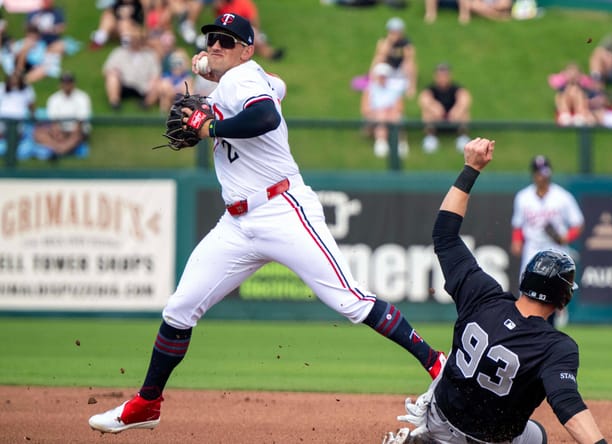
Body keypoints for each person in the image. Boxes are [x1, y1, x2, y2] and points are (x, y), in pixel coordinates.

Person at [88, 14, 445, 435]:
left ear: (247, 50)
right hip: (237, 223)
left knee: (352, 301)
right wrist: (212, 73)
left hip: (283, 209)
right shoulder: (246, 78)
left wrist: (211, 125)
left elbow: (265, 118)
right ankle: (147, 404)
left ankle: (437, 364)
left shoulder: (243, 79)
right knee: (179, 309)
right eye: (212, 38)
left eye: (227, 40)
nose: (216, 45)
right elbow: (279, 86)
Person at [382, 137, 606, 444]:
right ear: (563, 298)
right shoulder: (556, 347)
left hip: (438, 415)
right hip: (484, 440)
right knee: (537, 435)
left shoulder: (482, 294)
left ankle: (426, 439)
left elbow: (445, 235)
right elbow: (568, 406)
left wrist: (470, 168)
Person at [511, 155, 584, 327]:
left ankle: (554, 319)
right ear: (533, 175)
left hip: (556, 250)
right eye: (538, 173)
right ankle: (526, 327)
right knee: (526, 291)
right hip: (532, 249)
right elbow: (518, 225)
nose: (542, 177)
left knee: (553, 293)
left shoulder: (562, 196)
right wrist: (517, 240)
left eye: (544, 173)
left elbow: (578, 223)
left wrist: (567, 237)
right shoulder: (523, 197)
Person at [32, 72, 92, 156]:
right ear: (60, 85)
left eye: (69, 83)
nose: (66, 85)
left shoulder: (82, 97)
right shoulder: (54, 98)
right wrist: (57, 132)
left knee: (77, 136)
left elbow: (80, 121)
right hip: (60, 129)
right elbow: (54, 121)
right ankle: (59, 148)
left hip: (76, 129)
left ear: (73, 84)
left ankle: (60, 149)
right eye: (64, 83)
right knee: (38, 133)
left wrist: (72, 132)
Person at [102, 27, 161, 110]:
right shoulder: (119, 52)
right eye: (134, 39)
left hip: (143, 85)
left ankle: (146, 104)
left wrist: (153, 80)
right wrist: (114, 72)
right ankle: (114, 102)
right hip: (124, 84)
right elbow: (107, 69)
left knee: (157, 82)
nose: (136, 41)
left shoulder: (150, 55)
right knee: (112, 77)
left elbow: (156, 73)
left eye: (138, 39)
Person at [418, 63, 472, 153]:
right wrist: (433, 107)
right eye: (440, 75)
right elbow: (423, 98)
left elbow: (465, 98)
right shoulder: (431, 89)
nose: (442, 78)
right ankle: (430, 138)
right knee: (427, 112)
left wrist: (457, 110)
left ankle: (462, 137)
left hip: (454, 118)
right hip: (437, 119)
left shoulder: (456, 88)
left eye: (445, 75)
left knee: (464, 112)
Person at [361, 62, 407, 158]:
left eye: (384, 76)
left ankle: (398, 142)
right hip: (375, 115)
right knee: (382, 114)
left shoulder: (395, 89)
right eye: (380, 76)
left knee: (393, 115)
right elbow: (365, 109)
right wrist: (380, 111)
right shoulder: (370, 89)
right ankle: (381, 141)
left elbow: (400, 108)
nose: (382, 78)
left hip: (391, 114)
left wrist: (388, 111)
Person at [370, 17, 416, 98]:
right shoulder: (383, 41)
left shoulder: (406, 43)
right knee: (379, 58)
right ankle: (372, 81)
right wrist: (389, 42)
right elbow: (381, 54)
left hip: (400, 69)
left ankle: (411, 87)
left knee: (409, 64)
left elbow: (409, 58)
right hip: (388, 67)